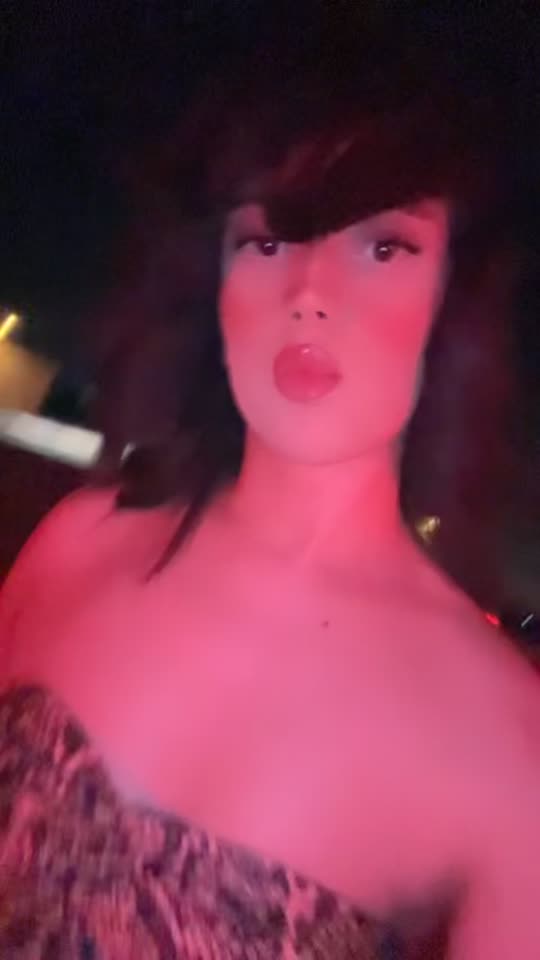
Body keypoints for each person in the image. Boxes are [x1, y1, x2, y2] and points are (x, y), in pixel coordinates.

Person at [0, 22, 539, 959]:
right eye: (267, 238)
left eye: (383, 247)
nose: (310, 290)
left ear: (454, 300)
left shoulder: (505, 744)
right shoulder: (74, 545)